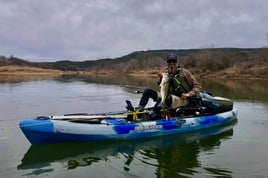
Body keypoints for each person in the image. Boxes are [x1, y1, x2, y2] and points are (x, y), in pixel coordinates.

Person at [137, 52, 201, 117]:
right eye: (169, 61)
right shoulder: (165, 73)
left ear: (176, 62)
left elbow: (197, 86)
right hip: (168, 96)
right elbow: (160, 86)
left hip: (183, 99)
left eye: (174, 61)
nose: (171, 64)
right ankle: (139, 110)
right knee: (147, 91)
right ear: (167, 63)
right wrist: (160, 78)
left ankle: (152, 115)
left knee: (164, 98)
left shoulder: (184, 72)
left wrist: (188, 94)